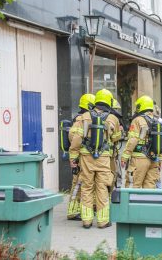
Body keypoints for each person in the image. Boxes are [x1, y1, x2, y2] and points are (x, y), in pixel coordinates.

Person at [71, 89, 121, 229]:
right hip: (104, 158)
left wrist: (73, 157)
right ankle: (102, 221)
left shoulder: (84, 116)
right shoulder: (113, 118)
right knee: (102, 187)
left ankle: (86, 221)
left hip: (86, 157)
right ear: (109, 101)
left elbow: (76, 138)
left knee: (87, 187)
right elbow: (116, 138)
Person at [67, 93, 96, 221]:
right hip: (79, 157)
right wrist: (74, 157)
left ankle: (78, 209)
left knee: (81, 184)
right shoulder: (80, 119)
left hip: (80, 156)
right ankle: (72, 211)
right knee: (77, 184)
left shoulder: (81, 118)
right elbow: (74, 137)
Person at [121, 95, 161, 188]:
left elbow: (133, 140)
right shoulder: (157, 121)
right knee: (150, 188)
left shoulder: (137, 120)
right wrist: (160, 160)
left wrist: (124, 157)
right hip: (154, 159)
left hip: (139, 159)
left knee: (133, 186)